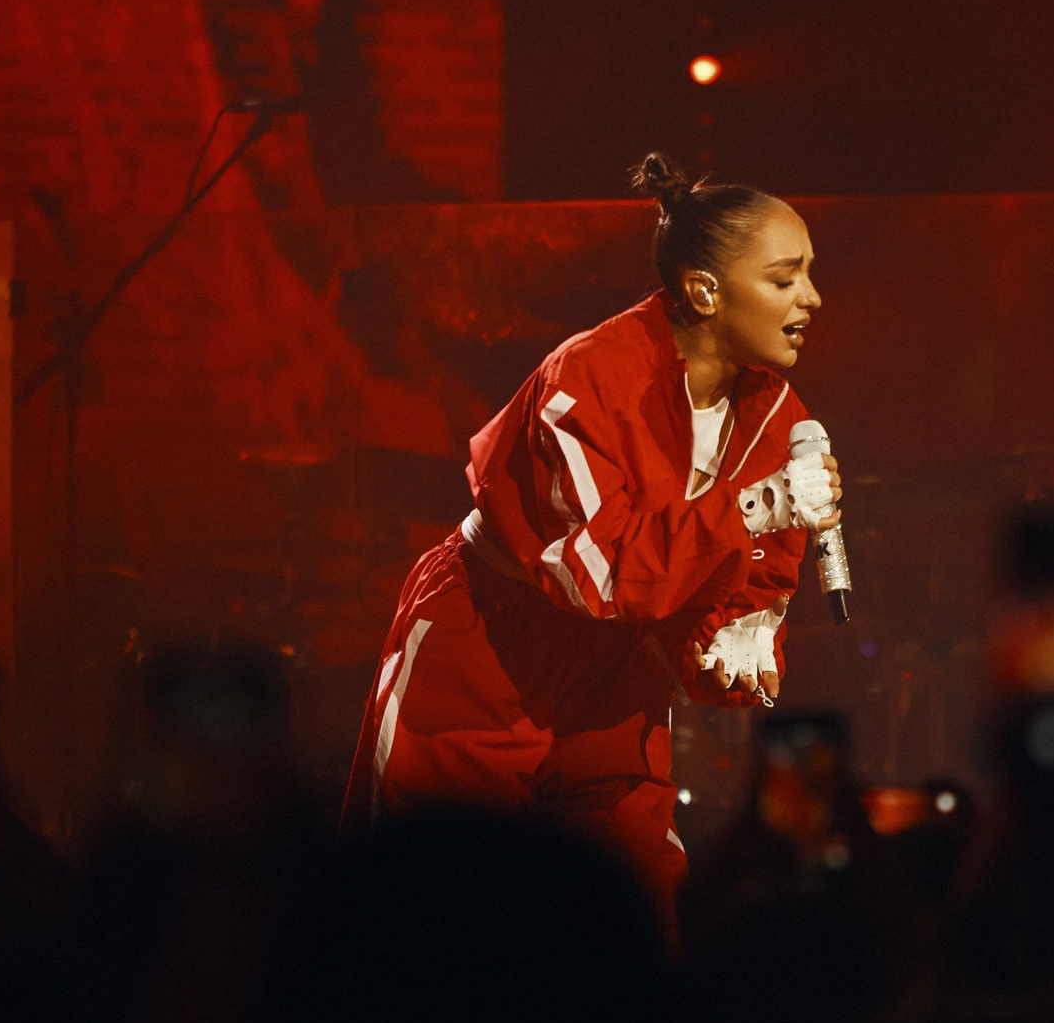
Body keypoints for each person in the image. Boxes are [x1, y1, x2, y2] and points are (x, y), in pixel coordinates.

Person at [344, 153, 842, 928]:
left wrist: (736, 639)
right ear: (705, 290)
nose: (812, 297)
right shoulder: (589, 379)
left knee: (638, 901)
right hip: (490, 643)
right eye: (785, 279)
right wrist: (756, 506)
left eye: (808, 274)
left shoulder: (779, 416)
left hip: (615, 666)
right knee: (426, 903)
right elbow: (598, 574)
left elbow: (747, 582)